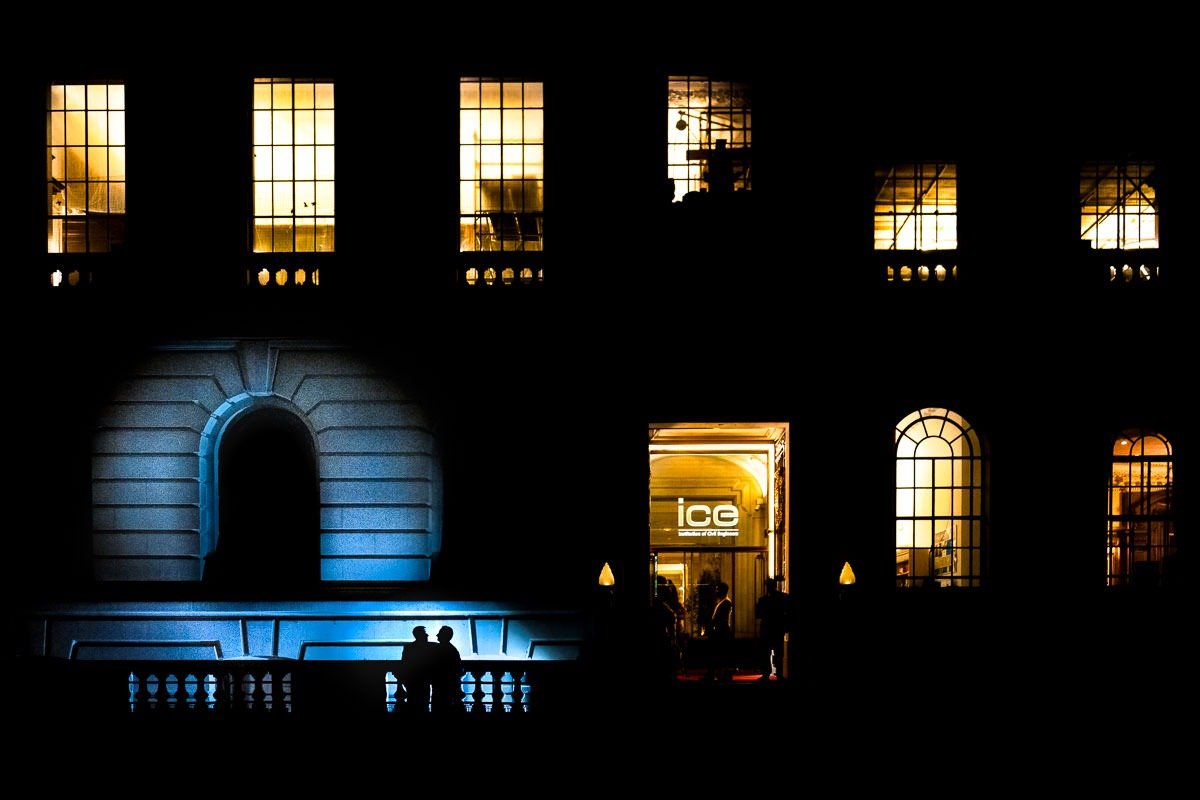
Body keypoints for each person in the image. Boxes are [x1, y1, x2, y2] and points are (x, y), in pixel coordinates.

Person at [755, 576, 791, 680]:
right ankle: (778, 673)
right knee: (778, 652)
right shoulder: (783, 598)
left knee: (766, 653)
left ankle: (767, 673)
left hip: (767, 629)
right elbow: (788, 613)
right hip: (777, 629)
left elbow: (758, 615)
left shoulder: (763, 600)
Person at [400, 625, 436, 711]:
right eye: (425, 633)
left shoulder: (408, 648)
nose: (427, 635)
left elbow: (404, 664)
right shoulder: (432, 646)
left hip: (414, 681)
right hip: (422, 681)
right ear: (419, 635)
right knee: (424, 704)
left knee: (414, 705)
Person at [431, 625, 464, 711]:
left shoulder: (439, 649)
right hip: (447, 686)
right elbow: (458, 668)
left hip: (440, 686)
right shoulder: (452, 650)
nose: (437, 635)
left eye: (439, 633)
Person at [707, 581, 733, 680]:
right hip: (721, 631)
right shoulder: (722, 602)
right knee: (720, 654)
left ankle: (721, 674)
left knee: (721, 654)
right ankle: (719, 673)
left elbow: (719, 618)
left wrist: (712, 624)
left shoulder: (726, 602)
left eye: (718, 589)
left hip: (722, 632)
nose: (716, 591)